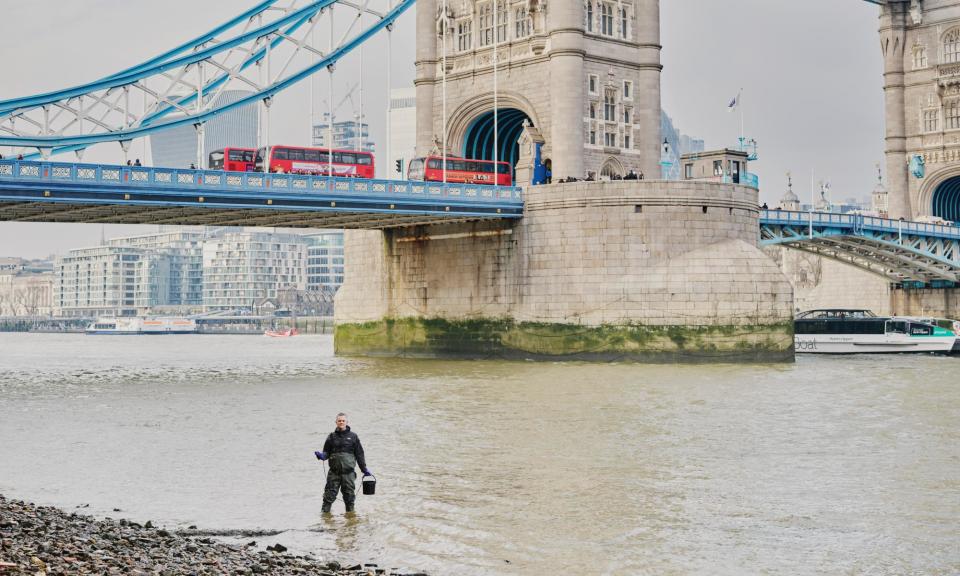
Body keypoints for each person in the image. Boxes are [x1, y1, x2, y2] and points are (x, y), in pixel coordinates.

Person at [314, 413, 371, 513]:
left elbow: (359, 454)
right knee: (328, 498)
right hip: (334, 473)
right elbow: (326, 452)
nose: (341, 422)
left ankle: (350, 521)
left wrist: (364, 469)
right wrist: (322, 456)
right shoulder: (331, 437)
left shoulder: (353, 437)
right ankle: (324, 520)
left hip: (348, 474)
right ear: (336, 422)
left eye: (343, 421)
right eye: (339, 420)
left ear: (347, 422)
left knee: (349, 499)